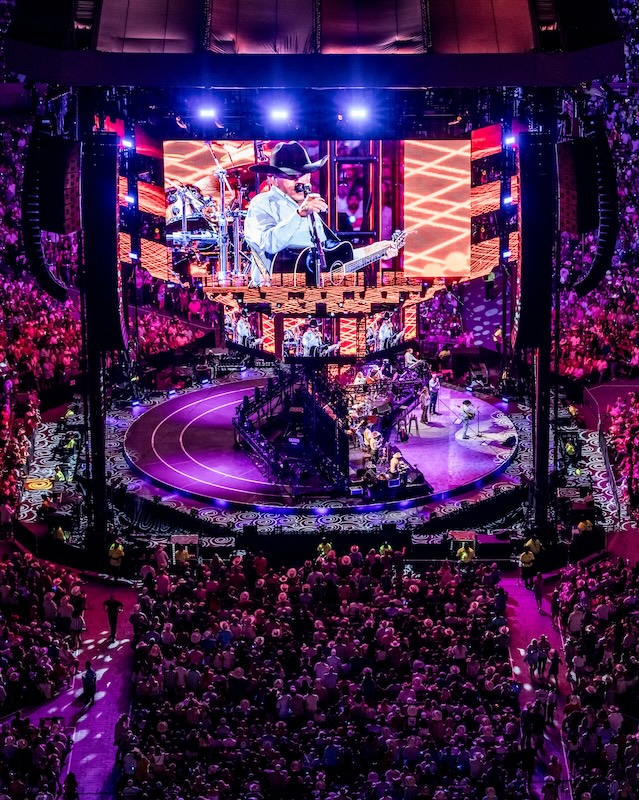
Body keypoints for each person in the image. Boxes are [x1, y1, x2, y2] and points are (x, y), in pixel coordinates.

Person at [244, 141, 398, 287]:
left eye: (304, 174)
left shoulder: (311, 208)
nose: (300, 182)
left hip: (312, 297)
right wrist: (300, 214)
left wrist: (371, 251)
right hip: (273, 295)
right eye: (291, 176)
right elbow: (269, 244)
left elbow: (328, 258)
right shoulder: (262, 203)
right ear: (273, 179)